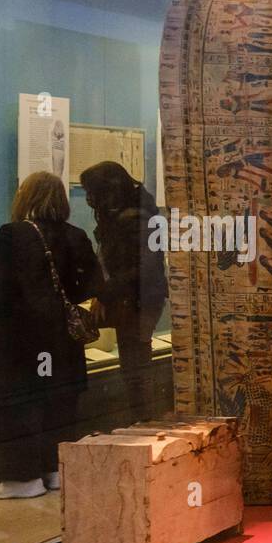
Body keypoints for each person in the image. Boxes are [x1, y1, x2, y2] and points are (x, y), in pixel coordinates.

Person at [0, 172, 101, 499]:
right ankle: (56, 470)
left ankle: (22, 479)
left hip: (21, 338)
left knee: (20, 406)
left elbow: (0, 291)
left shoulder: (12, 235)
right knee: (60, 403)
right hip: (63, 337)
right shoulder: (76, 235)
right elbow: (92, 285)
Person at [80, 161, 168, 420]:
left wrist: (106, 292)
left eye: (91, 192)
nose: (88, 199)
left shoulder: (133, 219)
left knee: (136, 367)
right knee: (134, 365)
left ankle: (143, 420)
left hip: (136, 300)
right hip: (135, 298)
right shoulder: (135, 214)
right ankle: (141, 418)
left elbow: (140, 269)